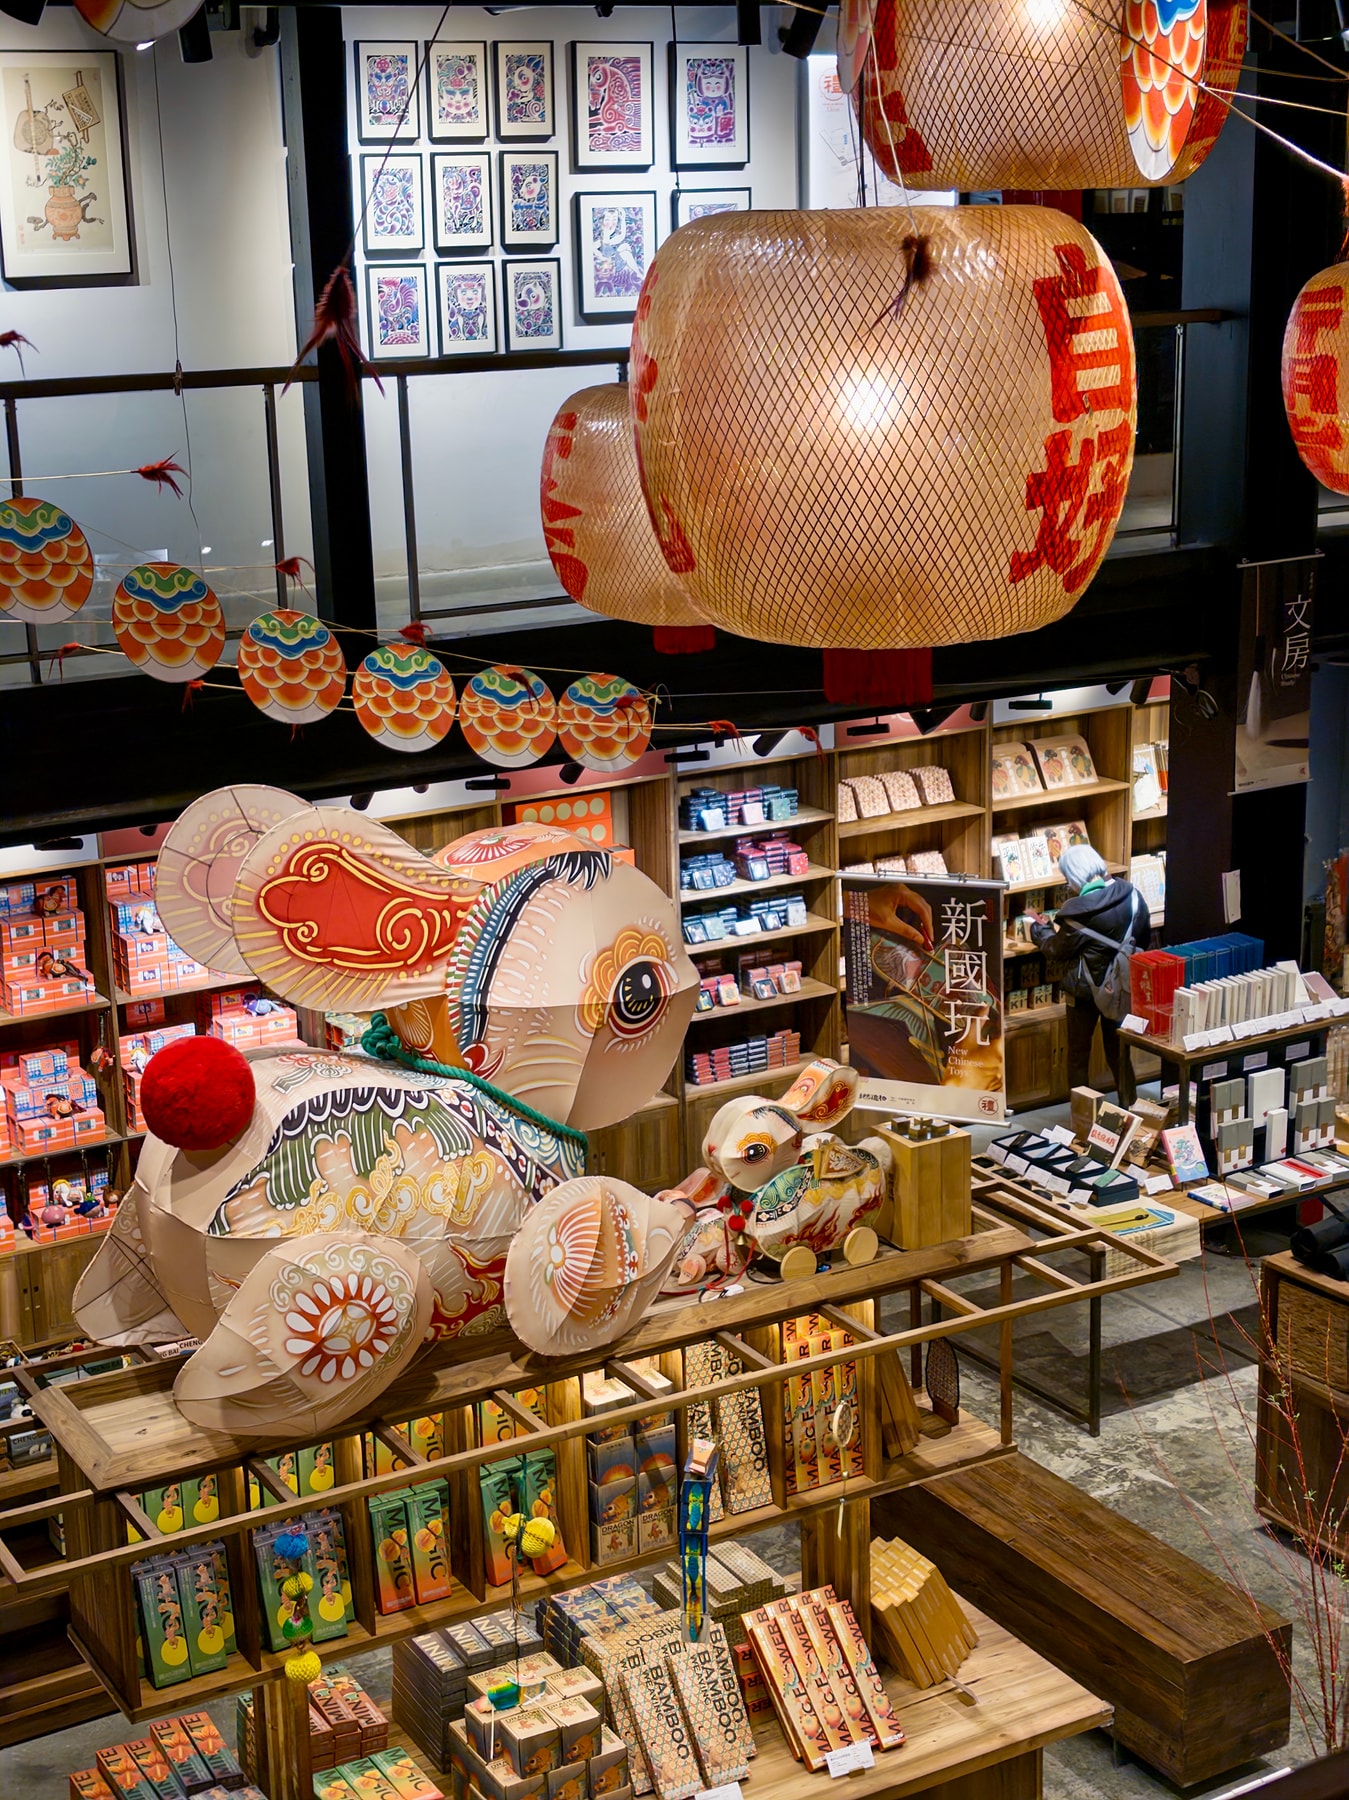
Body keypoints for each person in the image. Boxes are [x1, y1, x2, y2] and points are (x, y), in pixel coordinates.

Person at [1029, 844, 1151, 1098]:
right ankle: (1131, 1105)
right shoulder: (1133, 896)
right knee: (1118, 1052)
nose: (1068, 884)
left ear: (1074, 876)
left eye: (1067, 878)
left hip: (1084, 991)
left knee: (1078, 1055)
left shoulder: (1078, 914)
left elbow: (1056, 950)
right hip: (1122, 986)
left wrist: (1039, 930)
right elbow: (1143, 937)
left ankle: (1083, 1115)